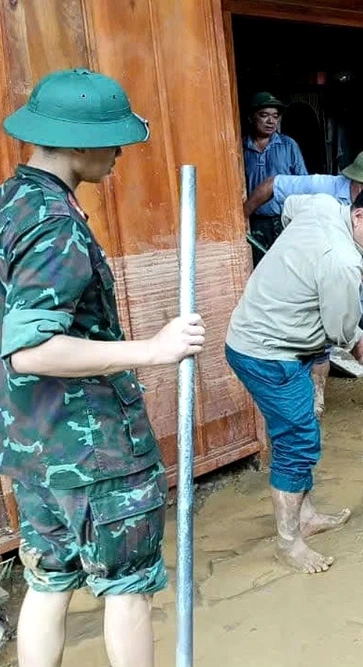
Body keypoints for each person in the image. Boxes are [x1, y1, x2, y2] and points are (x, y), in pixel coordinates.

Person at [0, 68, 206, 667]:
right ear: (81, 143)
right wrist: (153, 349)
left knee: (48, 581)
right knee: (127, 588)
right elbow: (31, 349)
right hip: (94, 449)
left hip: (32, 444)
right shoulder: (56, 224)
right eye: (113, 140)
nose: (119, 153)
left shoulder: (12, 202)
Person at [225, 178, 363, 574]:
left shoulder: (324, 206)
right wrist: (356, 338)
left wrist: (296, 266)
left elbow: (288, 207)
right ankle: (288, 542)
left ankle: (306, 516)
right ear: (360, 214)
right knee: (297, 440)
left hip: (273, 336)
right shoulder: (342, 261)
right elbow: (339, 330)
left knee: (300, 431)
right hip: (268, 352)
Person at [242, 150, 363, 418]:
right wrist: (241, 221)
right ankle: (317, 400)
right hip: (320, 278)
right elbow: (276, 189)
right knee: (320, 340)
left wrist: (349, 312)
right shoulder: (323, 191)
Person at [243, 91, 308, 267]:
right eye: (264, 116)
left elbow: (303, 183)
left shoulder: (288, 145)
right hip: (254, 221)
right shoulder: (240, 148)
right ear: (251, 118)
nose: (271, 121)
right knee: (258, 267)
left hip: (284, 220)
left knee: (288, 267)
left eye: (275, 116)